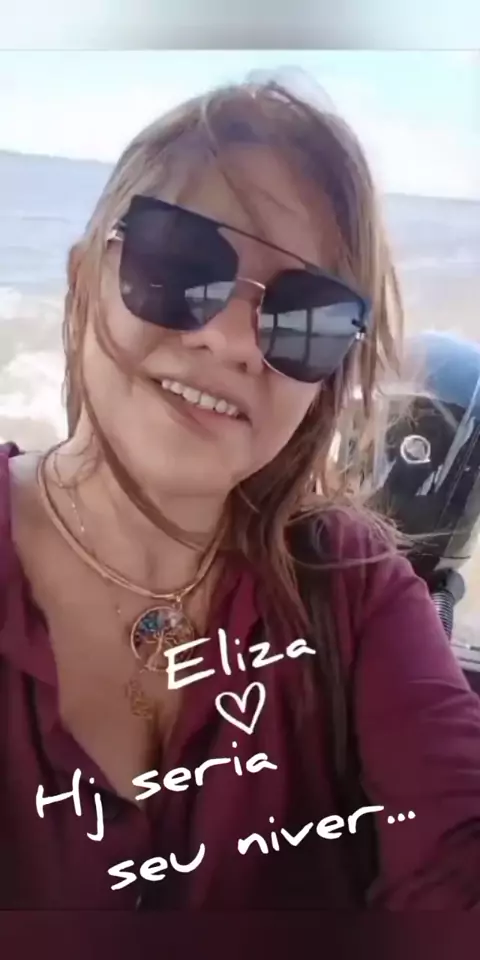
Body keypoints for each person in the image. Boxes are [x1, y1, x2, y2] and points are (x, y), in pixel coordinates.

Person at [1, 75, 480, 913]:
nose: (229, 340)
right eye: (179, 262)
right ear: (82, 279)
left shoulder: (352, 586)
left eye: (307, 316)